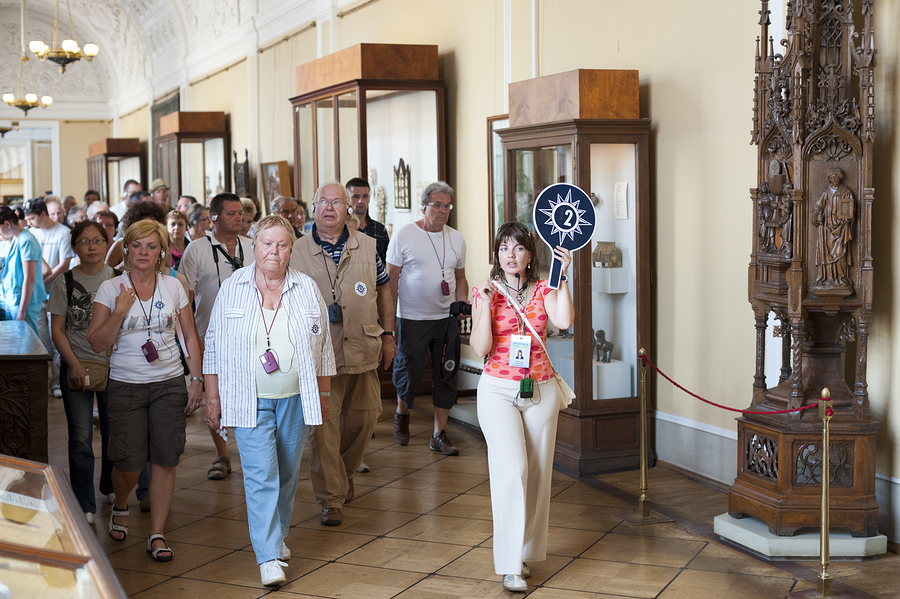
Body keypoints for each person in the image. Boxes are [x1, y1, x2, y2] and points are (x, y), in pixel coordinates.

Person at [203, 215, 335, 587]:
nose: (273, 252)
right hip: (248, 397)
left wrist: (323, 395)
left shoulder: (306, 287)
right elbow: (212, 345)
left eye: (282, 244)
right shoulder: (234, 287)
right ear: (254, 246)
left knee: (288, 474)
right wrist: (213, 395)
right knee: (263, 474)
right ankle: (269, 556)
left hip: (295, 397)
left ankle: (275, 537)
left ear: (291, 248)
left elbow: (324, 348)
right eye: (266, 244)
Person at [87, 220, 203, 563]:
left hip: (168, 382)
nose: (143, 252)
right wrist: (119, 312)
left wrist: (194, 379)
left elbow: (191, 337)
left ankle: (156, 532)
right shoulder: (111, 289)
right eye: (137, 246)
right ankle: (121, 502)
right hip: (126, 384)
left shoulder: (173, 287)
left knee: (166, 458)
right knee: (127, 463)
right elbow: (96, 344)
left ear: (161, 253)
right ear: (127, 250)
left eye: (151, 246)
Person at [469, 221, 573, 593]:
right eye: (503, 248)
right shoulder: (488, 292)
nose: (509, 255)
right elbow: (480, 348)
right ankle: (510, 564)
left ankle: (525, 552)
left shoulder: (546, 288)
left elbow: (562, 320)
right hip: (497, 389)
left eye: (517, 248)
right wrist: (480, 305)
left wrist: (564, 276)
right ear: (497, 255)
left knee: (538, 473)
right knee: (513, 470)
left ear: (530, 255)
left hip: (540, 390)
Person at [290, 182, 396, 527]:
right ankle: (331, 498)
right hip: (318, 354)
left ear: (348, 207)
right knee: (322, 428)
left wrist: (390, 335)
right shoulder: (296, 250)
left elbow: (384, 291)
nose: (330, 208)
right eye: (323, 202)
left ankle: (343, 475)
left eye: (337, 202)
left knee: (365, 418)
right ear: (313, 206)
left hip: (363, 346)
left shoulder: (368, 245)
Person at [386, 181, 468, 455]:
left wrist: (462, 303)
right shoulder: (405, 235)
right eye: (437, 205)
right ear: (424, 206)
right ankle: (401, 413)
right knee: (408, 372)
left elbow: (460, 278)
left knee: (446, 374)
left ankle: (438, 434)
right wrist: (390, 320)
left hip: (445, 319)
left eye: (447, 206)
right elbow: (391, 279)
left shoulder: (456, 238)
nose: (442, 210)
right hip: (411, 318)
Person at [179, 193, 254, 480]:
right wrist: (194, 338)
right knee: (216, 397)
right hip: (210, 335)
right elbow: (185, 300)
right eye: (232, 214)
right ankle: (222, 454)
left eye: (241, 214)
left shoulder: (252, 246)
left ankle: (250, 453)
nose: (239, 219)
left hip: (250, 336)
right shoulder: (196, 250)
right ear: (214, 218)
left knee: (249, 396)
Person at [49, 221, 116, 524]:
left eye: (98, 241)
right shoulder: (64, 282)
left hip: (114, 369)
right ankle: (84, 501)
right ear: (74, 246)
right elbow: (57, 330)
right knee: (80, 438)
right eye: (84, 241)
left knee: (116, 434)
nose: (91, 247)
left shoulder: (117, 279)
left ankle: (111, 486)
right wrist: (73, 363)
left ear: (106, 243)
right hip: (76, 365)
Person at [25, 198, 75, 397]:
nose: (29, 222)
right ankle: (38, 383)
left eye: (32, 218)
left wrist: (44, 281)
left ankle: (57, 381)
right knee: (37, 338)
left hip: (58, 291)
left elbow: (64, 264)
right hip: (37, 294)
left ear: (43, 214)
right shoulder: (31, 233)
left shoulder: (63, 232)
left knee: (57, 339)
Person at [0, 206, 45, 335]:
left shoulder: (27, 241)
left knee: (28, 341)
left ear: (7, 224)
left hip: (25, 302)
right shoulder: (16, 239)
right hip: (14, 299)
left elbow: (29, 278)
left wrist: (22, 310)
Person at [812, 168, 855, 288]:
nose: (834, 180)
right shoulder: (826, 191)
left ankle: (841, 277)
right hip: (828, 227)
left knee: (841, 252)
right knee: (828, 252)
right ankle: (829, 277)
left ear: (839, 177)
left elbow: (852, 209)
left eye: (836, 177)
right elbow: (817, 207)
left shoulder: (846, 191)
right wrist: (817, 216)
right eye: (831, 178)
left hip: (842, 227)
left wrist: (849, 217)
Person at [106, 201, 166, 269]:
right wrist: (123, 266)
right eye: (136, 246)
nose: (149, 227)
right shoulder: (120, 245)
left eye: (151, 247)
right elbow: (107, 273)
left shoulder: (161, 245)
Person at [346, 178, 390, 263]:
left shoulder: (380, 229)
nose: (361, 201)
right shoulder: (341, 229)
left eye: (365, 196)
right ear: (347, 198)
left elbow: (386, 263)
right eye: (356, 196)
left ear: (369, 198)